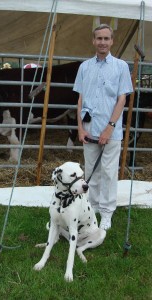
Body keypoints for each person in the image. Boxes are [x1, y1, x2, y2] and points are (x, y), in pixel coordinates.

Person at [73, 24, 133, 230]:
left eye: (106, 39)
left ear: (112, 41)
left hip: (112, 130)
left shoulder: (121, 66)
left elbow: (122, 99)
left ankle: (107, 212)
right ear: (93, 41)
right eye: (99, 38)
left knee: (108, 171)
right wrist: (80, 128)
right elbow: (80, 99)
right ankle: (93, 206)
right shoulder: (84, 67)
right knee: (91, 169)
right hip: (89, 127)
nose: (102, 42)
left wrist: (110, 128)